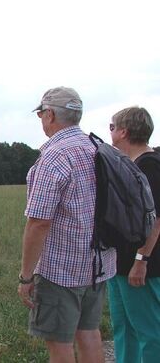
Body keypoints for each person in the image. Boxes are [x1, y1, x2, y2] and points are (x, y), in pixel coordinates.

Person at [18, 87, 116, 362]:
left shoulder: (55, 156)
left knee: (59, 343)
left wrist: (26, 277)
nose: (41, 120)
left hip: (61, 269)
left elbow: (38, 222)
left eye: (40, 114)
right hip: (98, 262)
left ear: (49, 115)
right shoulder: (97, 148)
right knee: (89, 333)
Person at [107, 106, 160, 362]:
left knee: (149, 331)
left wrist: (141, 261)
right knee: (124, 328)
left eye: (112, 127)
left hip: (142, 266)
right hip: (120, 264)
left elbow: (157, 220)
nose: (111, 132)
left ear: (123, 132)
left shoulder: (150, 167)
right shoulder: (130, 165)